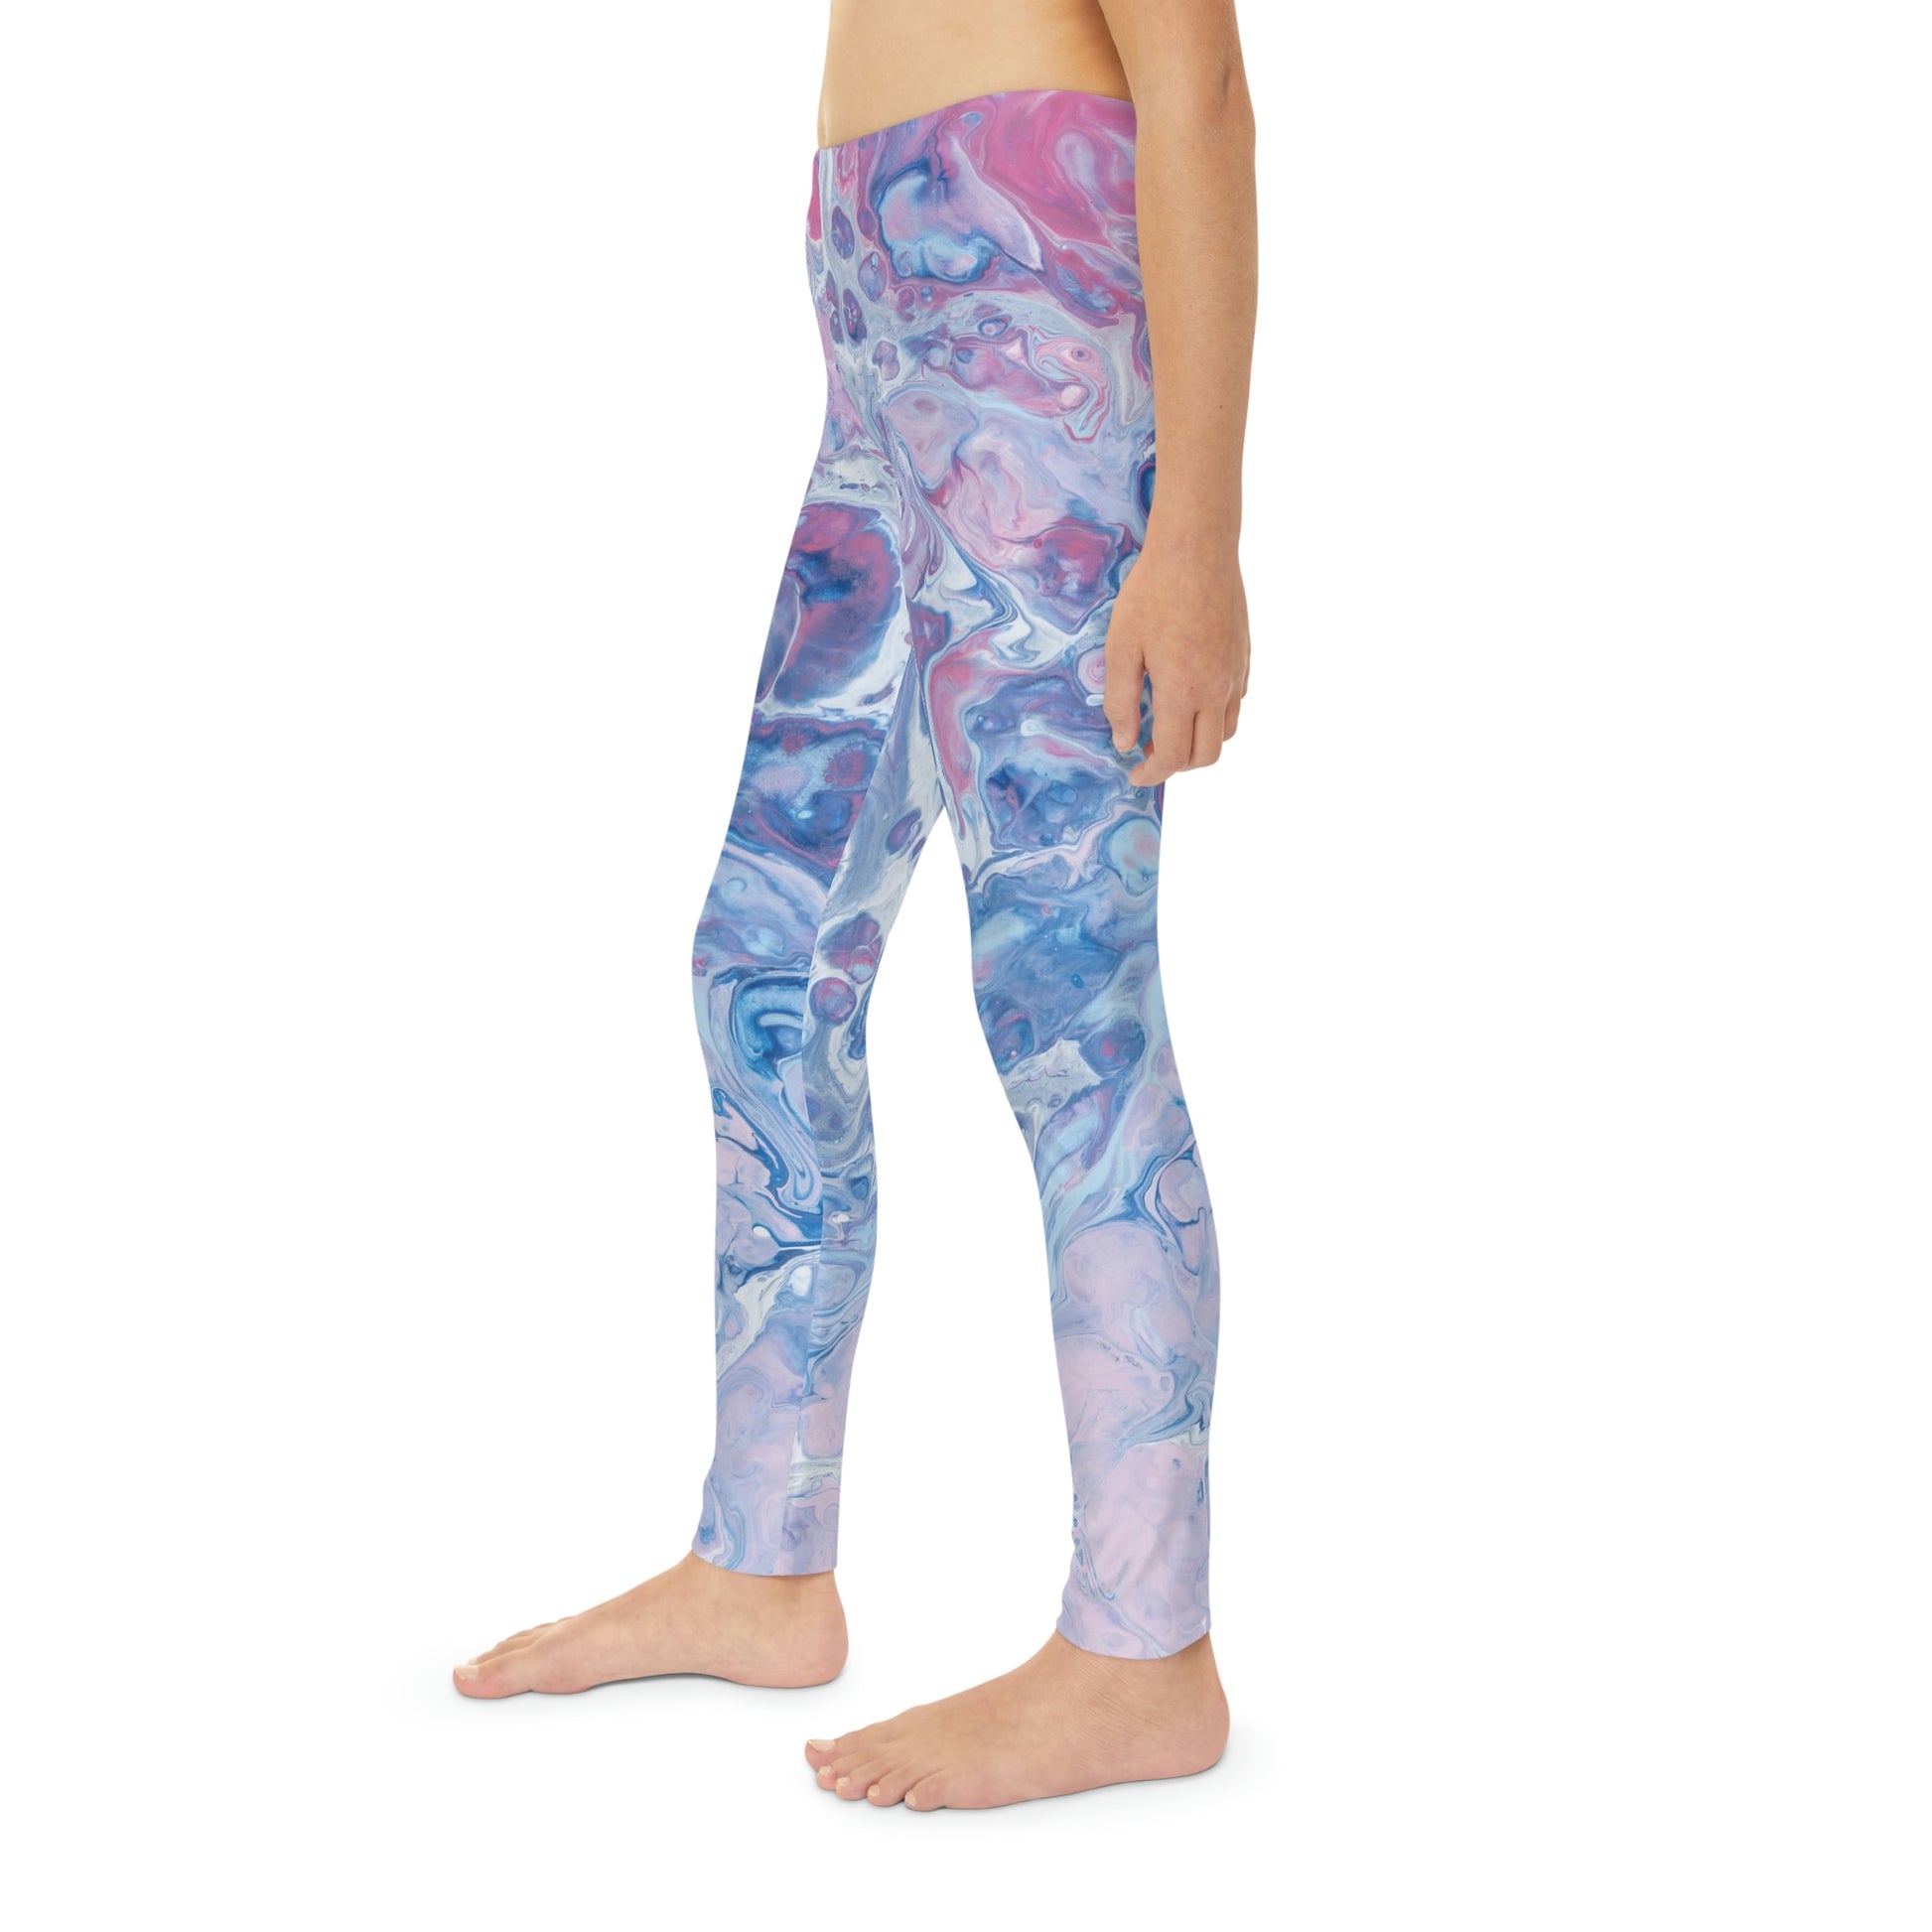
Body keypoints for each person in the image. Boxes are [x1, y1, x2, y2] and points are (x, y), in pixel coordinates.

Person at [454, 0, 1256, 1813]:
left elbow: (1197, 82)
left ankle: (1145, 1652)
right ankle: (762, 1560)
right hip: (888, 326)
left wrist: (1194, 537)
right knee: (762, 952)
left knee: (1067, 1004)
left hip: (1027, 303)